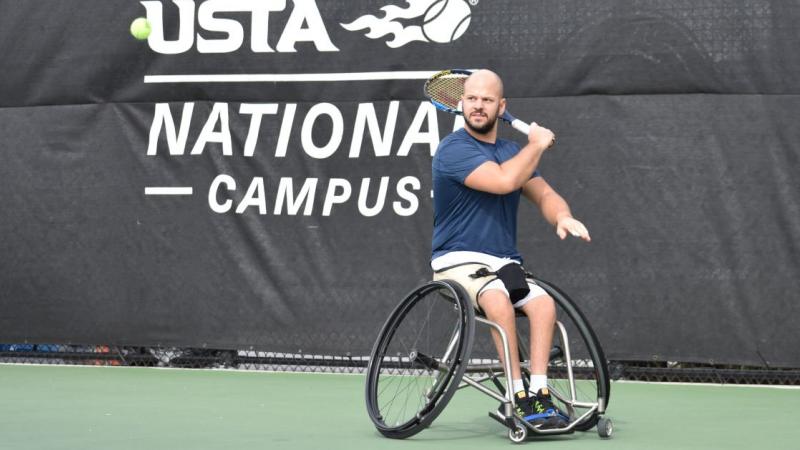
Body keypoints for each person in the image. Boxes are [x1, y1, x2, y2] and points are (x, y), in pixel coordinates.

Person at [430, 69, 591, 428]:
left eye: (487, 100)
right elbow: (503, 182)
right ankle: (518, 395)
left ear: (501, 107)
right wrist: (536, 144)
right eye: (471, 98)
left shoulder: (510, 151)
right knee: (498, 300)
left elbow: (544, 193)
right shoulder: (453, 149)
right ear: (460, 102)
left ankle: (540, 392)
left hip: (504, 263)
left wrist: (561, 217)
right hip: (457, 260)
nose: (477, 106)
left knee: (544, 305)